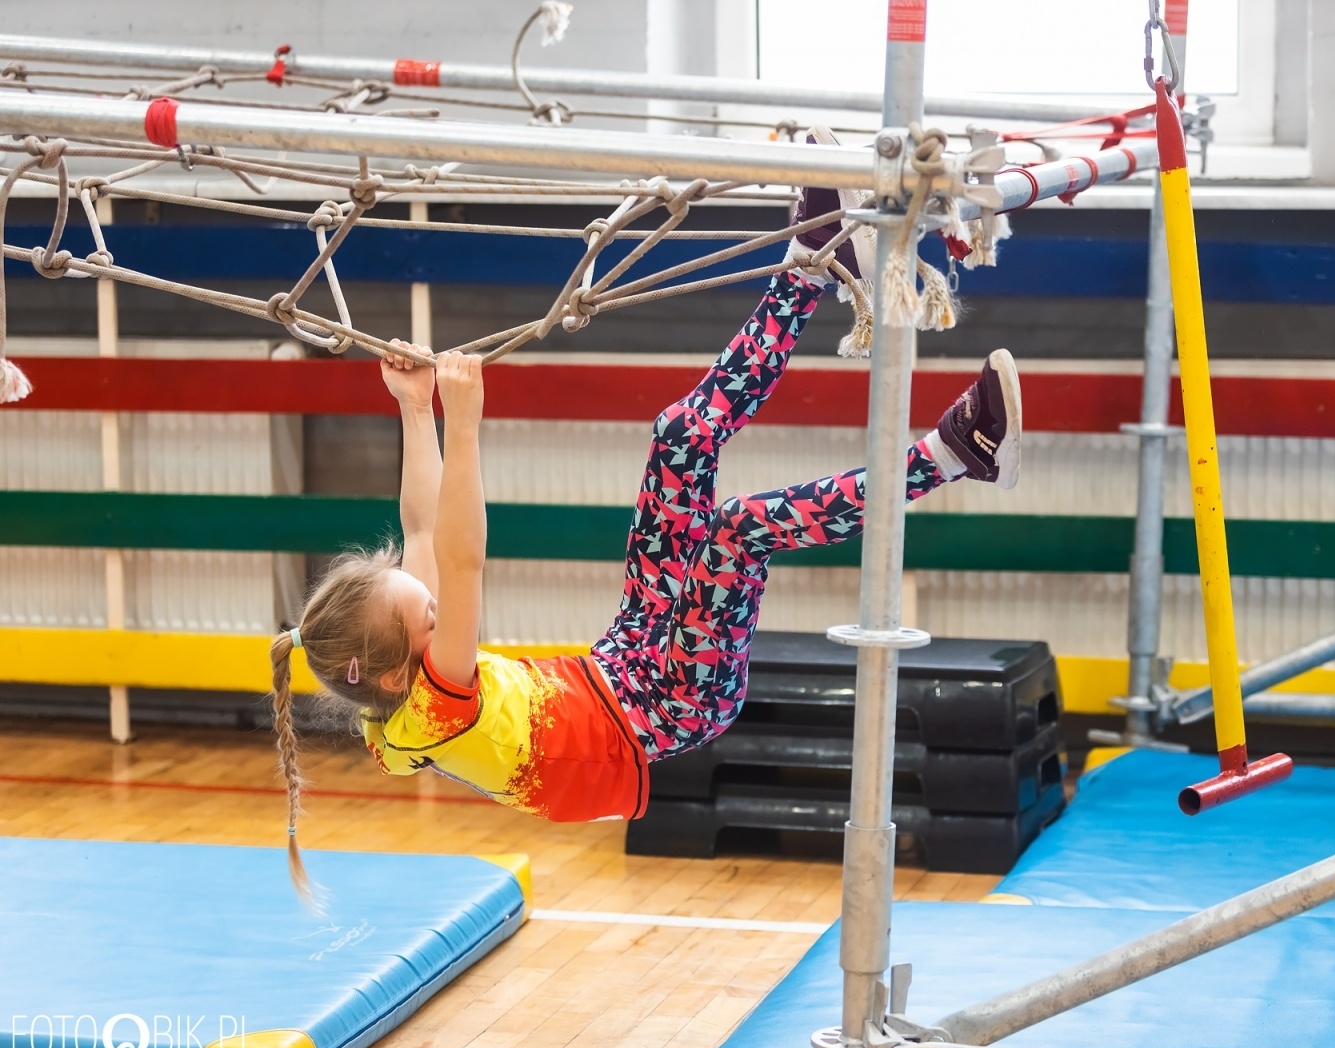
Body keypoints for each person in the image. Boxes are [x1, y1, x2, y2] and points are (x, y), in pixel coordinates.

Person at [267, 179, 1024, 898]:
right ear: (396, 674)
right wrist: (462, 424)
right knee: (735, 534)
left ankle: (811, 264)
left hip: (622, 661)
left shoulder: (392, 692)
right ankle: (956, 454)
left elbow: (426, 527)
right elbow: (462, 557)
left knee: (682, 436)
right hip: (669, 704)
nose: (436, 609)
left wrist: (413, 407)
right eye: (425, 616)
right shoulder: (435, 704)